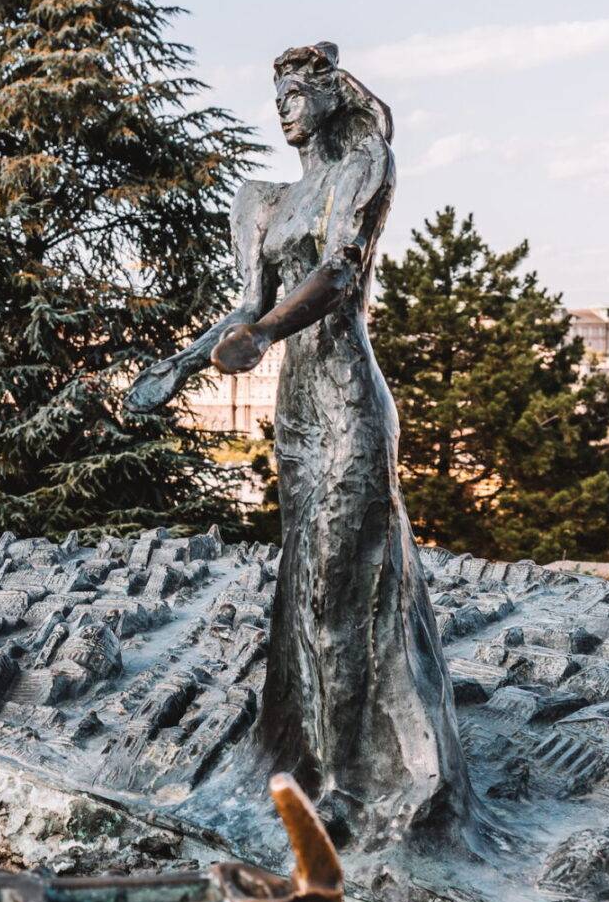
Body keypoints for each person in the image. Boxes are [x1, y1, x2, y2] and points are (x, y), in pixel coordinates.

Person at [128, 43, 471, 845]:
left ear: (328, 95)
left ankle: (356, 785)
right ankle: (309, 767)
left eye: (294, 94)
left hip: (348, 400)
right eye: (274, 95)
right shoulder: (262, 199)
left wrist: (267, 333)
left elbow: (340, 273)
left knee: (335, 592)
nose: (283, 107)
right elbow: (246, 307)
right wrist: (178, 367)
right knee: (307, 594)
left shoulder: (363, 165)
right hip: (297, 414)